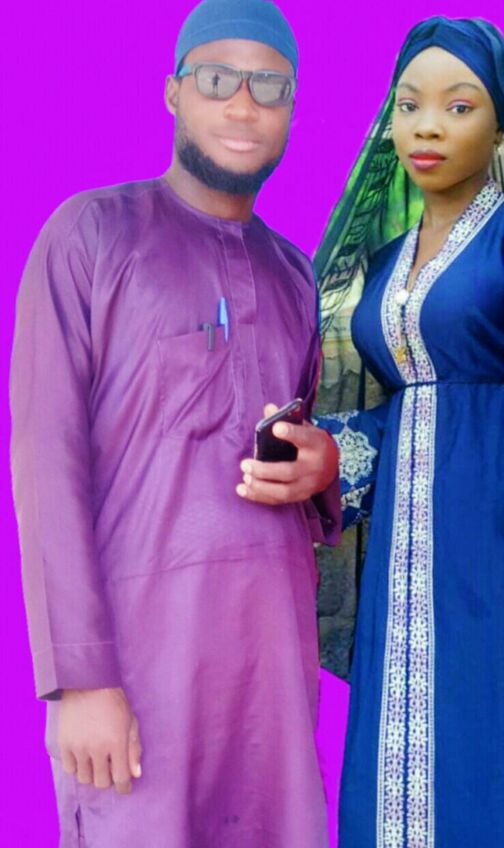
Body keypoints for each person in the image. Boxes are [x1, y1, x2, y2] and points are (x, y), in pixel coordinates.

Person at [243, 16, 504, 848]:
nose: (427, 126)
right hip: (403, 564)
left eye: (458, 107)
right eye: (409, 105)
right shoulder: (384, 264)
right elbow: (403, 409)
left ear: (501, 125)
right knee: (397, 767)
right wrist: (333, 454)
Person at [9, 1, 340, 846]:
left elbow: (301, 469)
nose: (243, 106)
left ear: (293, 109)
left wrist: (322, 471)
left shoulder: (296, 276)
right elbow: (45, 457)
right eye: (218, 79)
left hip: (270, 678)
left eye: (269, 87)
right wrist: (79, 679)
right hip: (140, 671)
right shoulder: (90, 235)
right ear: (173, 93)